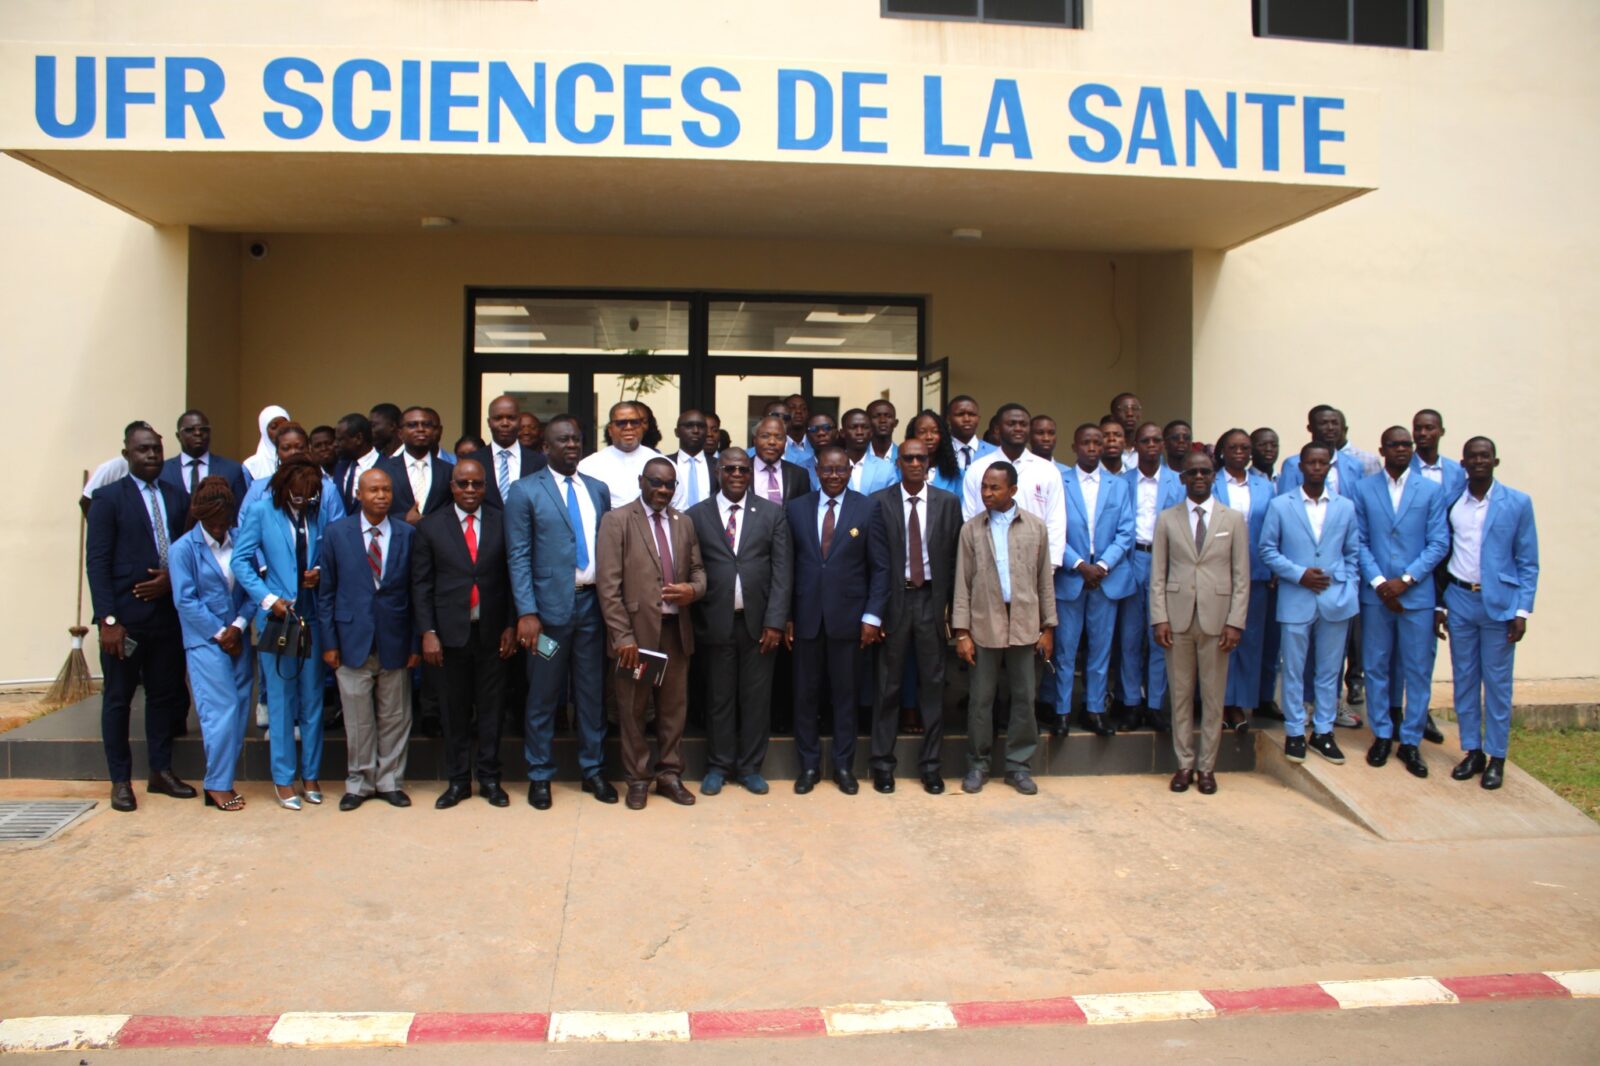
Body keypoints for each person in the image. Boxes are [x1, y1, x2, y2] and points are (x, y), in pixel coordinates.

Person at [506, 415, 615, 809]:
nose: (571, 445)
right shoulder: (524, 491)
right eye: (563, 440)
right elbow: (518, 555)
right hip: (547, 616)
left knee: (591, 693)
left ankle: (593, 770)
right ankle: (539, 774)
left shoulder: (597, 489)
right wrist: (527, 612)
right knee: (543, 694)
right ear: (545, 448)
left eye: (576, 439)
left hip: (591, 609)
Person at [85, 423, 194, 812]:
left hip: (166, 618)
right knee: (118, 699)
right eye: (142, 450)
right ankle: (120, 780)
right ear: (127, 455)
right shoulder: (108, 498)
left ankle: (160, 772)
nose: (151, 455)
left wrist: (171, 579)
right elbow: (97, 563)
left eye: (156, 450)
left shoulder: (177, 496)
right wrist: (107, 621)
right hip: (125, 622)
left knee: (163, 697)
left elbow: (188, 552)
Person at [596, 458, 706, 809]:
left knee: (673, 710)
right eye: (656, 482)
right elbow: (608, 586)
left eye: (669, 485)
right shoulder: (617, 521)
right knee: (634, 710)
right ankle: (638, 779)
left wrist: (693, 590)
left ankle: (670, 774)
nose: (663, 490)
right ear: (640, 481)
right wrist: (622, 637)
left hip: (675, 633)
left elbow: (699, 570)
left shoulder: (683, 523)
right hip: (638, 637)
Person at [687, 447, 792, 796]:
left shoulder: (772, 514)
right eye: (730, 469)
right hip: (714, 622)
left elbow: (782, 572)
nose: (736, 475)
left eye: (743, 470)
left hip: (759, 625)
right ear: (718, 471)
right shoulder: (696, 515)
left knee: (756, 700)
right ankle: (718, 766)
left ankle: (749, 768)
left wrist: (776, 621)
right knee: (719, 699)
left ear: (750, 474)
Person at [413, 459, 517, 809]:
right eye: (463, 484)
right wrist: (428, 631)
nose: (470, 490)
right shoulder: (431, 527)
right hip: (448, 637)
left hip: (493, 634)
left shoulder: (503, 522)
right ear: (451, 486)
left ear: (486, 487)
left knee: (492, 710)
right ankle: (458, 781)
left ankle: (489, 779)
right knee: (453, 711)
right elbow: (421, 585)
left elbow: (514, 577)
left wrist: (511, 624)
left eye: (477, 484)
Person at [786, 444, 889, 795]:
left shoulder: (868, 508)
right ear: (816, 471)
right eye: (827, 469)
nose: (834, 475)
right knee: (805, 696)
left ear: (849, 471)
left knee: (846, 697)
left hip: (850, 619)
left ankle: (844, 766)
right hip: (806, 618)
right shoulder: (796, 509)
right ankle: (809, 766)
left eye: (840, 469)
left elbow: (880, 568)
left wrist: (872, 616)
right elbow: (787, 566)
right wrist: (786, 616)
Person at [1439, 437, 1538, 792]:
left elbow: (1528, 562)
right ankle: (1473, 751)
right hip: (1460, 599)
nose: (1479, 461)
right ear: (1463, 463)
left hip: (1500, 605)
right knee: (1465, 679)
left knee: (1497, 684)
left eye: (1485, 456)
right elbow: (1442, 553)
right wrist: (1440, 604)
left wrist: (1522, 610)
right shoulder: (1452, 502)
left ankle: (1497, 757)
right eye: (1473, 456)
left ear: (1495, 462)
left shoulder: (1518, 502)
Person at [232, 457, 330, 810]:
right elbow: (240, 561)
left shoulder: (318, 513)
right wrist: (268, 598)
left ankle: (311, 775)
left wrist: (319, 572)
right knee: (281, 699)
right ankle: (284, 778)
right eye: (298, 492)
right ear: (284, 487)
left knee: (313, 698)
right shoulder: (262, 512)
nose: (304, 498)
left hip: (312, 614)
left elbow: (328, 554)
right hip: (279, 618)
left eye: (310, 493)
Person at [1150, 450, 1250, 795]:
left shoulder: (1232, 519)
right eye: (1192, 472)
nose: (1198, 478)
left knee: (1212, 696)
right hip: (1177, 620)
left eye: (1205, 472)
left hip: (1218, 620)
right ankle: (1184, 764)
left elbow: (1241, 576)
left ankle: (1207, 767)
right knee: (1180, 696)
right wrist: (1159, 617)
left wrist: (1235, 622)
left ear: (1213, 476)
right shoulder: (1167, 519)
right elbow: (1158, 574)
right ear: (1182, 478)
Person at [954, 462, 1056, 796]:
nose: (986, 493)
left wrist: (1048, 628)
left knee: (1024, 698)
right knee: (981, 700)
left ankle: (1018, 766)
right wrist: (962, 632)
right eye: (984, 486)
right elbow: (962, 584)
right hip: (984, 623)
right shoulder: (971, 530)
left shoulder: (1035, 527)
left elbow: (1044, 582)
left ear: (1012, 490)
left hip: (1025, 624)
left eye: (994, 487)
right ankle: (978, 764)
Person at [1352, 427, 1449, 778]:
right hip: (1376, 595)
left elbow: (1439, 543)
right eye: (1394, 445)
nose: (1402, 449)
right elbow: (1359, 541)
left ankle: (1410, 740)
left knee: (1417, 669)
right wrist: (1380, 583)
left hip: (1416, 596)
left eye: (1407, 444)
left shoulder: (1431, 490)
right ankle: (1381, 734)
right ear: (1382, 450)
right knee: (1376, 665)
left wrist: (1406, 580)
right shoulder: (1364, 489)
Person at [320, 468, 419, 810]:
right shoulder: (337, 533)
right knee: (357, 719)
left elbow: (415, 592)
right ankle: (359, 784)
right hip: (351, 639)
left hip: (395, 638)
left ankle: (390, 781)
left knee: (395, 716)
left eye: (386, 490)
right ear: (358, 494)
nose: (381, 495)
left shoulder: (407, 534)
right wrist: (329, 643)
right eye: (373, 490)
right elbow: (327, 593)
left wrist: (415, 643)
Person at [867, 439, 959, 794]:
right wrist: (875, 612)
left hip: (932, 602)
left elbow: (954, 560)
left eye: (922, 458)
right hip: (895, 601)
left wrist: (952, 610)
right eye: (909, 458)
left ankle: (931, 767)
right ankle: (882, 765)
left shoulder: (947, 503)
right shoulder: (880, 502)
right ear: (899, 463)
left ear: (929, 462)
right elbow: (872, 562)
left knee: (933, 686)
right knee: (887, 686)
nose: (916, 463)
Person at [1260, 443, 1361, 765]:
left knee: (1329, 671)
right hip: (1296, 596)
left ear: (1329, 466)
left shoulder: (1345, 507)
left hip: (1335, 598)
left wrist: (1348, 585)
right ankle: (1294, 731)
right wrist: (1299, 574)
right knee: (1293, 669)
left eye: (1322, 463)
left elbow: (1353, 552)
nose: (1317, 468)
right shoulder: (1281, 505)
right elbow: (1267, 549)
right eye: (1311, 463)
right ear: (1301, 466)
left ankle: (1323, 732)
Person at [169, 476, 253, 811]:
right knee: (220, 710)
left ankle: (224, 778)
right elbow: (185, 601)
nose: (219, 528)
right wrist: (221, 634)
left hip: (238, 635)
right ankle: (216, 783)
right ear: (200, 515)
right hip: (206, 641)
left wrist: (238, 626)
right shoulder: (182, 550)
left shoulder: (241, 540)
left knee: (240, 710)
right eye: (213, 522)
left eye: (224, 521)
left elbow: (252, 588)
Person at [1054, 423, 1136, 737]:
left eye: (1097, 443)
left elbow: (1126, 531)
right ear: (1074, 446)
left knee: (1100, 650)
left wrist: (1101, 566)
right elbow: (1053, 529)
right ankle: (1062, 711)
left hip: (1105, 578)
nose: (1092, 448)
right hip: (1071, 576)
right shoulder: (1060, 481)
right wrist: (1079, 565)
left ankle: (1094, 709)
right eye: (1085, 442)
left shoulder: (1118, 485)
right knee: (1065, 649)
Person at [1118, 422, 1184, 731]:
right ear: (1136, 445)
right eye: (1145, 441)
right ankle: (1131, 702)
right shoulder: (1122, 482)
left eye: (1157, 440)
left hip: (1166, 563)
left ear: (1164, 445)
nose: (1152, 446)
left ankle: (1155, 704)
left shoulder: (1178, 482)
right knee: (1130, 637)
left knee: (1161, 636)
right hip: (1132, 560)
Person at [1211, 428, 1275, 731]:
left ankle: (1240, 704)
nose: (1240, 453)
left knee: (1249, 641)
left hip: (1256, 572)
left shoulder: (1264, 486)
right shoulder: (1211, 482)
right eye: (1233, 447)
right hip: (1218, 571)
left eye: (1245, 448)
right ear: (1222, 451)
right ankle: (1220, 701)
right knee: (1219, 639)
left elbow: (1273, 528)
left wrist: (1274, 568)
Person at [960, 403, 1066, 573]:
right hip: (986, 563)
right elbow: (969, 518)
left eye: (1023, 424)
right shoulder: (978, 468)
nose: (1018, 428)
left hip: (1034, 566)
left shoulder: (1047, 470)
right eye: (1011, 424)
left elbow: (1056, 522)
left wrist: (1050, 567)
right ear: (997, 429)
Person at [466, 395, 548, 510]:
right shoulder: (472, 461)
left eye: (511, 418)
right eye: (498, 418)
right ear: (489, 422)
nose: (505, 423)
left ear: (519, 421)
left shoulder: (540, 462)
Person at [579, 401, 663, 506]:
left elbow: (676, 505)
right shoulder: (588, 466)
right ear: (610, 430)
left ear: (642, 427)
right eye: (621, 423)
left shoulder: (661, 463)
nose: (629, 427)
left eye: (634, 422)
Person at [380, 406, 454, 523]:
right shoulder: (383, 470)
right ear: (400, 433)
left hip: (437, 533)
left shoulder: (449, 471)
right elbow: (373, 511)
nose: (421, 429)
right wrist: (404, 519)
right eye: (412, 425)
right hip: (399, 533)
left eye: (427, 425)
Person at [159, 409, 247, 506]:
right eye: (190, 430)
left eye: (204, 429)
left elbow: (241, 510)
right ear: (178, 436)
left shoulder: (232, 469)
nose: (198, 433)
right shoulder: (163, 470)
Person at [1275, 405, 1363, 497]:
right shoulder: (1293, 464)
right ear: (1310, 428)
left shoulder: (1354, 465)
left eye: (1335, 423)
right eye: (1324, 423)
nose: (1330, 428)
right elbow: (1286, 501)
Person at [1410, 408, 1467, 506]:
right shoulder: (1403, 468)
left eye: (1429, 428)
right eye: (1417, 428)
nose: (1422, 433)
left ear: (1442, 431)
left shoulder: (1457, 471)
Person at [752, 415, 811, 503]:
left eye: (779, 438)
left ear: (785, 442)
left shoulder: (800, 475)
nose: (772, 442)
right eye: (765, 436)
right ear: (755, 440)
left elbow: (803, 508)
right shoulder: (741, 470)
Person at [837, 408, 898, 494]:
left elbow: (892, 499)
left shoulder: (886, 468)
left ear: (871, 432)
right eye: (853, 427)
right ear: (842, 432)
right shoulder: (830, 467)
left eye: (865, 427)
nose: (859, 432)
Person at [666, 408, 716, 510]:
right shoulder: (666, 463)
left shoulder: (718, 466)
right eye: (689, 426)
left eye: (701, 426)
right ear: (676, 432)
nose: (696, 430)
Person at [331, 412, 381, 513]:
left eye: (340, 440)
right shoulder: (340, 467)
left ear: (358, 438)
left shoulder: (388, 467)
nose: (335, 444)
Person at [905, 411, 962, 495]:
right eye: (922, 432)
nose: (929, 437)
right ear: (913, 436)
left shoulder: (957, 474)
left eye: (935, 431)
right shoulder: (900, 471)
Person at [241, 404, 290, 485]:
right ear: (264, 430)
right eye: (274, 427)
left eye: (284, 426)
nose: (280, 431)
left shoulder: (300, 460)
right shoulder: (251, 467)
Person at [946, 395, 996, 473]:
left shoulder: (994, 452)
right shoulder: (939, 452)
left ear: (978, 418)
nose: (967, 419)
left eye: (972, 414)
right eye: (960, 414)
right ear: (948, 419)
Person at [782, 394, 815, 470]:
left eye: (803, 408)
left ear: (808, 414)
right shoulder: (776, 445)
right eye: (792, 408)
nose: (798, 411)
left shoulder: (816, 444)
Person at [866, 399, 900, 464]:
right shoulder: (857, 456)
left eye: (888, 416)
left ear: (895, 423)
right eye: (876, 416)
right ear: (866, 422)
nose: (882, 420)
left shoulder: (903, 456)